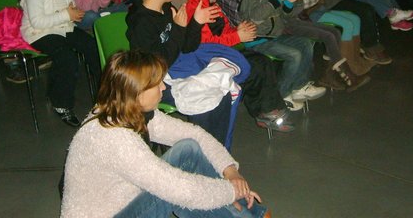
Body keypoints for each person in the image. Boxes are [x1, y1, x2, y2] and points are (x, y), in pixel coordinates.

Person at [60, 50, 270, 218]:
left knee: (188, 148)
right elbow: (179, 189)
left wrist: (229, 170)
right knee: (173, 191)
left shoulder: (124, 109)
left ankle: (253, 214)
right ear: (138, 92)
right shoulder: (114, 138)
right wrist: (229, 191)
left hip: (125, 201)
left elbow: (193, 134)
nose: (163, 87)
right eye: (157, 83)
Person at [126, 0, 236, 145]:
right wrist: (177, 28)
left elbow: (187, 46)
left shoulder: (167, 8)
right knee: (205, 100)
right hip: (155, 82)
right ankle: (202, 154)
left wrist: (195, 23)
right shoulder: (141, 23)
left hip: (177, 68)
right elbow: (159, 64)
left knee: (223, 93)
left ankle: (217, 152)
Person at [182, 0, 293, 133]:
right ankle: (267, 111)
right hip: (207, 60)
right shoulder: (194, 9)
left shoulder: (212, 5)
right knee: (256, 66)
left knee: (261, 61)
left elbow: (224, 30)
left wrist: (238, 30)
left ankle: (267, 110)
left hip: (222, 53)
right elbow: (205, 44)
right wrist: (237, 37)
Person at [19, 0, 101, 126]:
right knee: (66, 57)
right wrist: (67, 14)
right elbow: (37, 22)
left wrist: (74, 13)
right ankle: (62, 104)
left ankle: (104, 96)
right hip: (39, 33)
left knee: (93, 46)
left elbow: (69, 10)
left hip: (63, 28)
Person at [237, 0, 325, 111]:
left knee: (306, 43)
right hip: (259, 41)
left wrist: (290, 2)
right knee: (294, 55)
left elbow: (284, 16)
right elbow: (255, 17)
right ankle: (282, 95)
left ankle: (299, 86)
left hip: (273, 37)